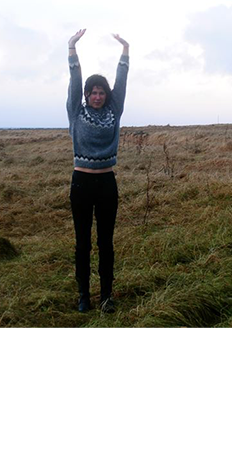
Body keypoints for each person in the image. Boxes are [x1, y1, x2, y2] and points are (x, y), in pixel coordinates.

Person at [66, 28, 129, 313]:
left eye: (102, 92)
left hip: (106, 184)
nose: (97, 96)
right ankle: (83, 296)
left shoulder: (114, 111)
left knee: (106, 242)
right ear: (87, 94)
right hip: (81, 183)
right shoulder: (75, 112)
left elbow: (122, 83)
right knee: (83, 243)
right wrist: (72, 50)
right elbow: (74, 81)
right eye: (93, 92)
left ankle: (106, 296)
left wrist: (125, 52)